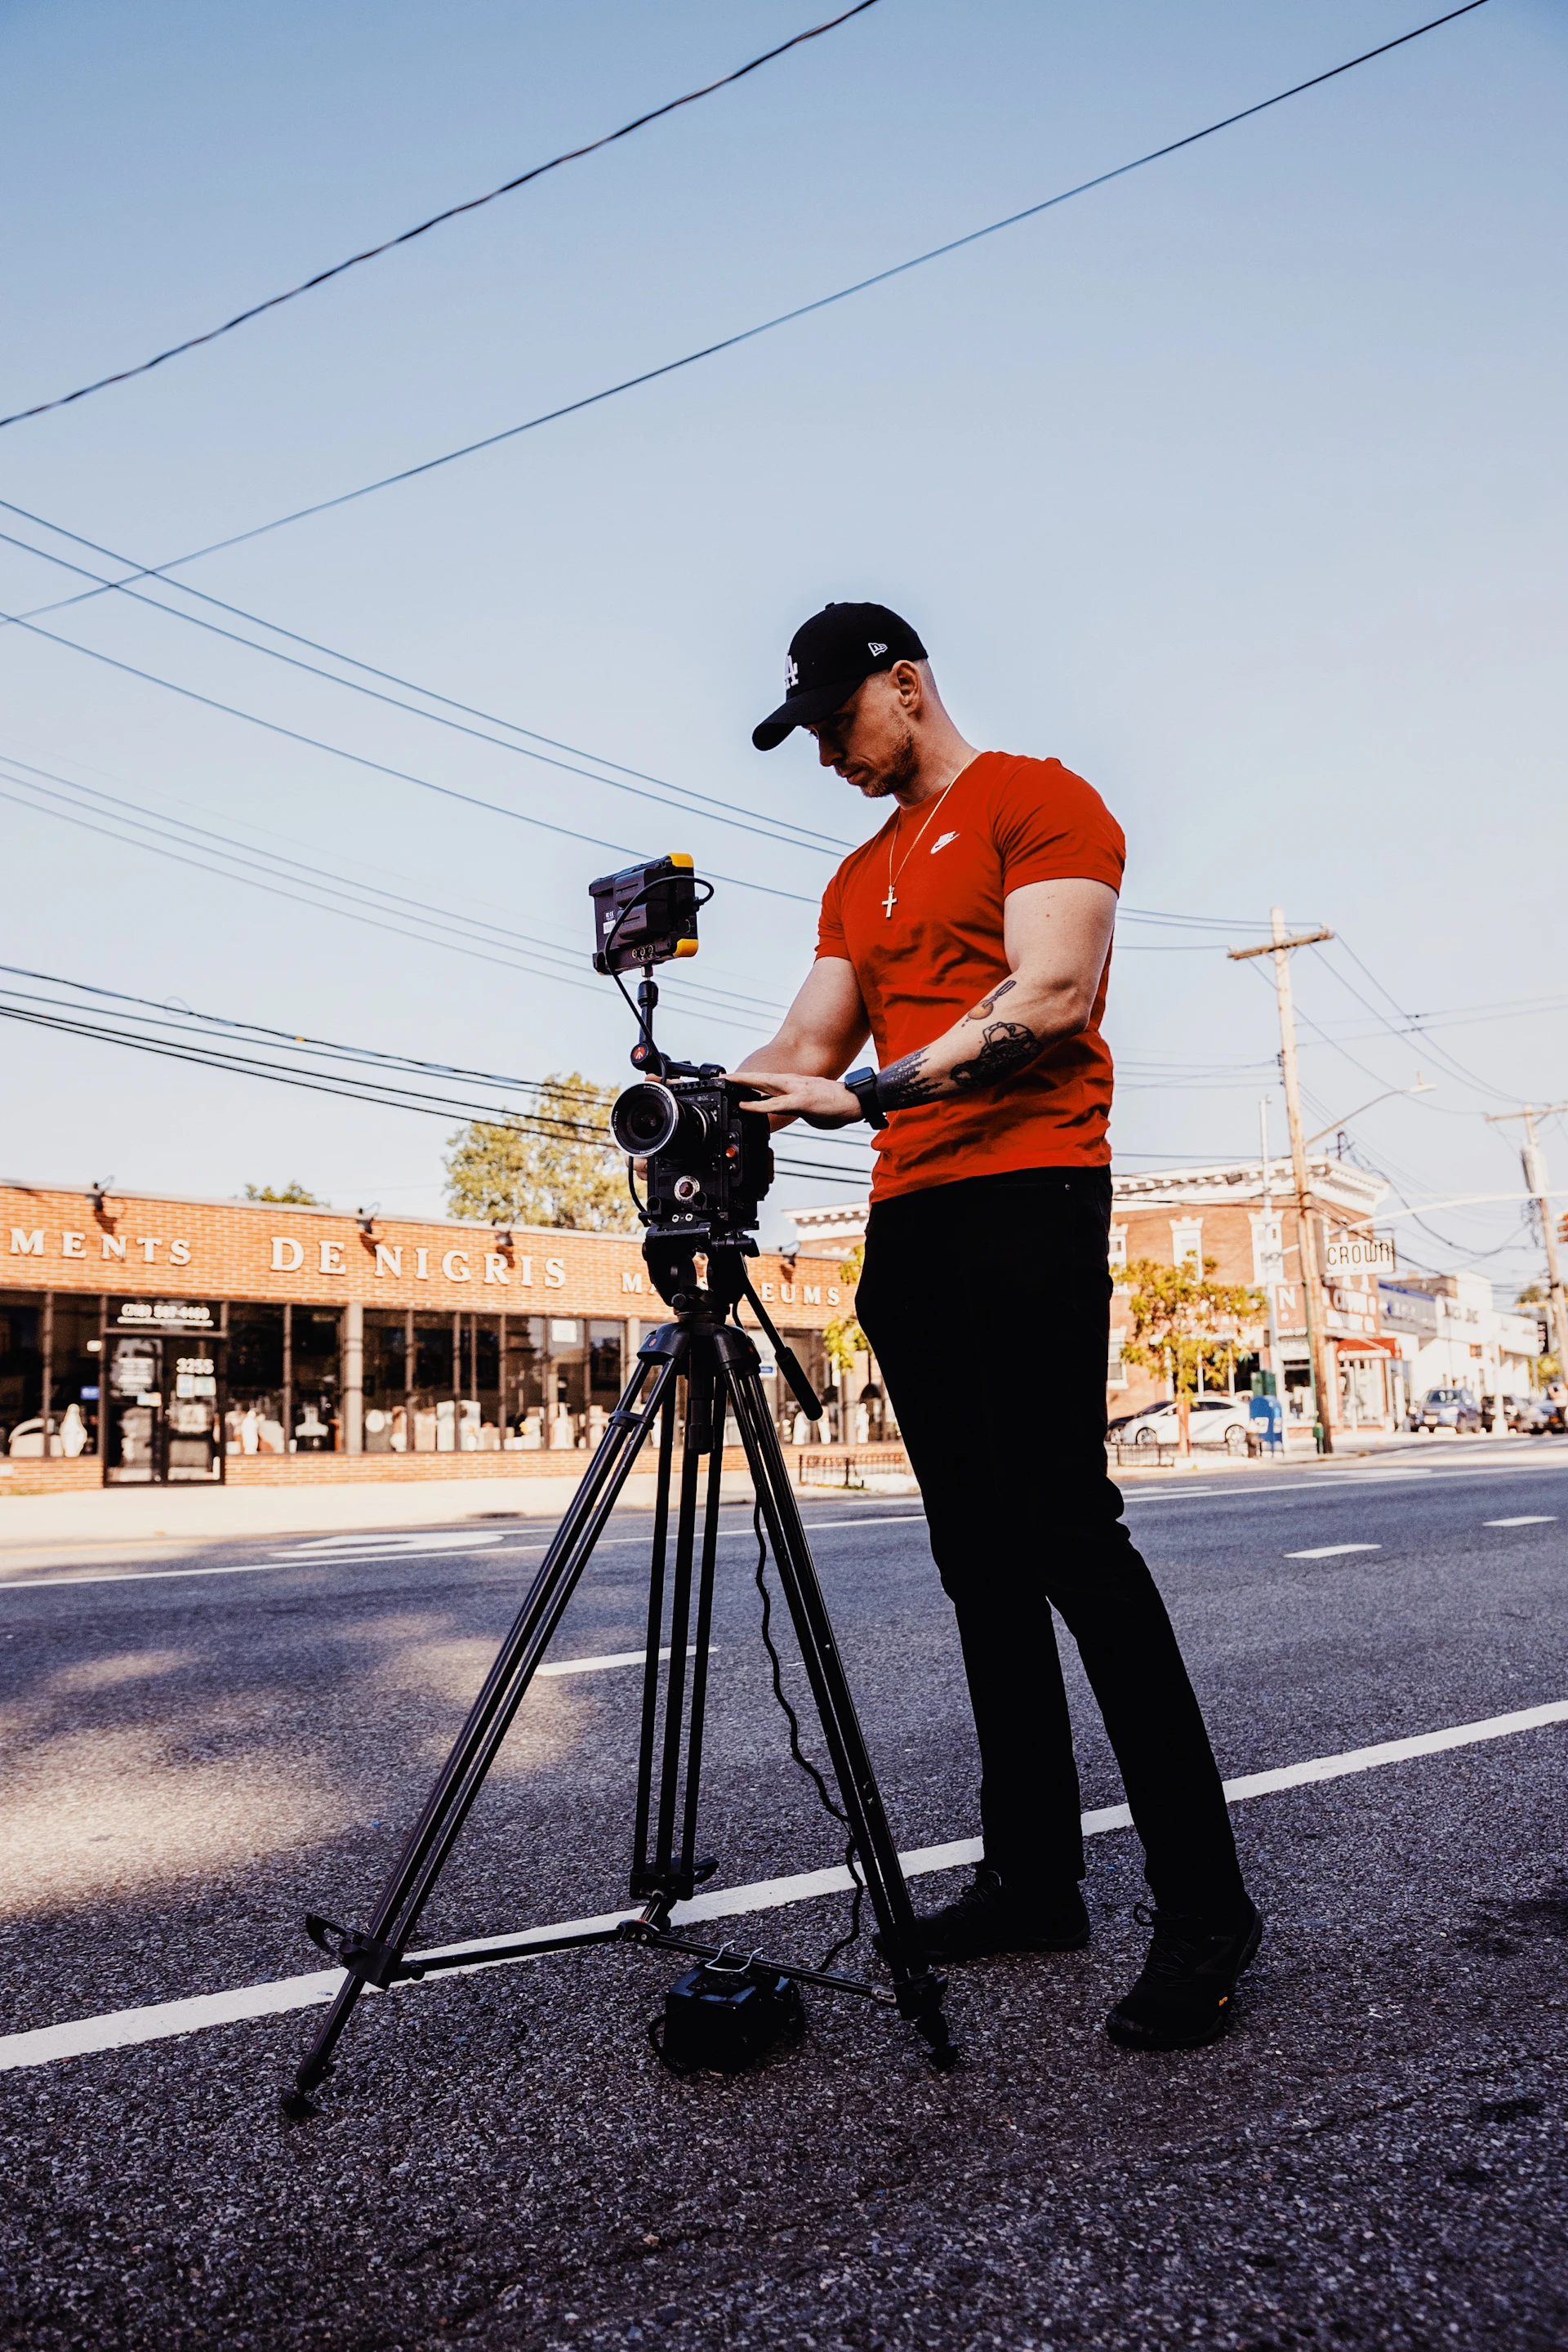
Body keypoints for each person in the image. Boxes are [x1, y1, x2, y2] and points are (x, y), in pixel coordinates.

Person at [734, 600, 1261, 2051]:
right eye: (813, 733)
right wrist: (710, 1098)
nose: (832, 753)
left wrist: (878, 1093)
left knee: (1068, 1536)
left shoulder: (1038, 800)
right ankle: (1034, 1877)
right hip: (911, 1226)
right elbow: (804, 1048)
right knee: (977, 1560)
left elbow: (1053, 992)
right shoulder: (858, 876)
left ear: (907, 686)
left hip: (1031, 1192)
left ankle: (1206, 1908)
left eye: (842, 722)